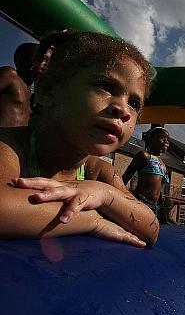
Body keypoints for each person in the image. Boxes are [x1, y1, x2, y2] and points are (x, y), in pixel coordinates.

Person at [0, 29, 159, 247]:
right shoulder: (11, 147)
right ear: (48, 91)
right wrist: (92, 219)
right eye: (106, 86)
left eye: (134, 103)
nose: (123, 109)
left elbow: (151, 227)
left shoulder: (100, 172)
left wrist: (104, 194)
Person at [122, 126, 171, 222]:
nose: (166, 141)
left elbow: (159, 191)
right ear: (150, 140)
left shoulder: (164, 165)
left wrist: (163, 214)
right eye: (162, 137)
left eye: (168, 139)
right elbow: (125, 178)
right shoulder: (144, 156)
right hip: (141, 202)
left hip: (155, 207)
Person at [0, 43, 38, 127]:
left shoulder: (31, 96)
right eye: (42, 59)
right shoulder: (9, 74)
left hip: (12, 140)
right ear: (27, 61)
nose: (46, 65)